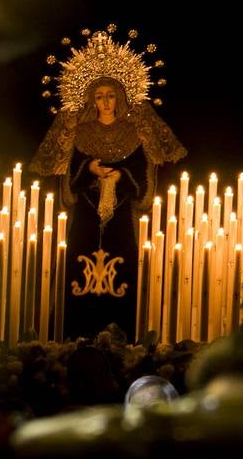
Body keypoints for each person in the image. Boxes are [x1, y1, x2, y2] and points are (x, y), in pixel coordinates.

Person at [30, 30, 185, 342]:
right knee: (78, 266)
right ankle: (76, 335)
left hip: (121, 213)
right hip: (86, 214)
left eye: (111, 95)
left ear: (121, 97)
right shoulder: (79, 130)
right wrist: (89, 169)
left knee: (124, 267)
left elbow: (144, 174)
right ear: (91, 98)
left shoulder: (134, 130)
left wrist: (120, 177)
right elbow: (67, 177)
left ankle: (122, 335)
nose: (105, 101)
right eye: (99, 96)